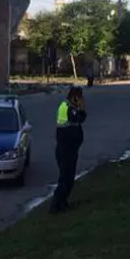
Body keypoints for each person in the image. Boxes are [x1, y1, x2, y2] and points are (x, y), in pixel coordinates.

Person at [50, 86, 87, 214]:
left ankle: (63, 203)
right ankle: (55, 205)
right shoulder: (67, 108)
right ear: (74, 97)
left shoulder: (70, 107)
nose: (82, 100)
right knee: (65, 179)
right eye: (80, 97)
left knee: (69, 179)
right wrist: (82, 108)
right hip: (65, 150)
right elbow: (79, 118)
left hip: (70, 149)